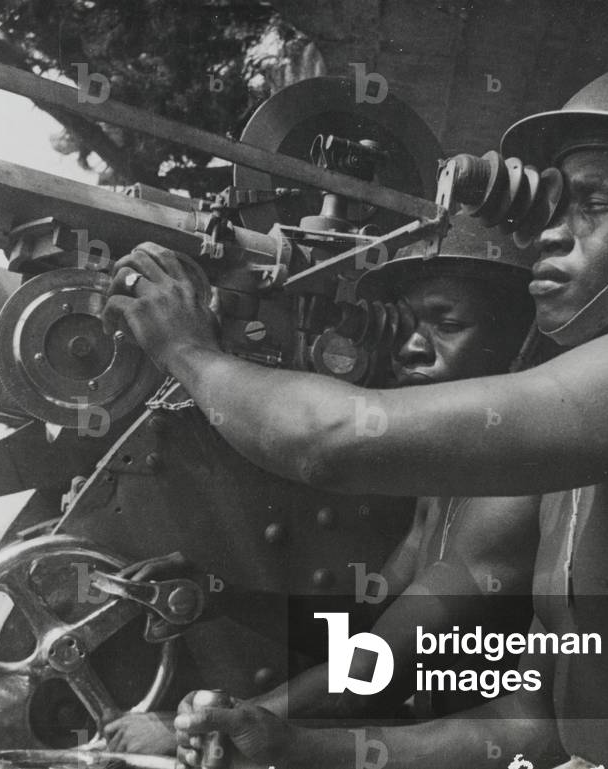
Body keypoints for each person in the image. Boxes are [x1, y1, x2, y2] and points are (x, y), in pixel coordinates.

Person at [103, 62, 608, 768]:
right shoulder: (591, 455)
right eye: (551, 209)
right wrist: (290, 742)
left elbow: (329, 440)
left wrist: (190, 351)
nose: (547, 237)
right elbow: (534, 721)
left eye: (591, 206)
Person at [102, 242, 540, 752]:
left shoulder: (512, 496)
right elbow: (363, 621)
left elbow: (373, 671)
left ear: (521, 342)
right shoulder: (449, 483)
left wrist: (203, 728)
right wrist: (220, 596)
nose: (411, 348)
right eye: (405, 325)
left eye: (446, 325)